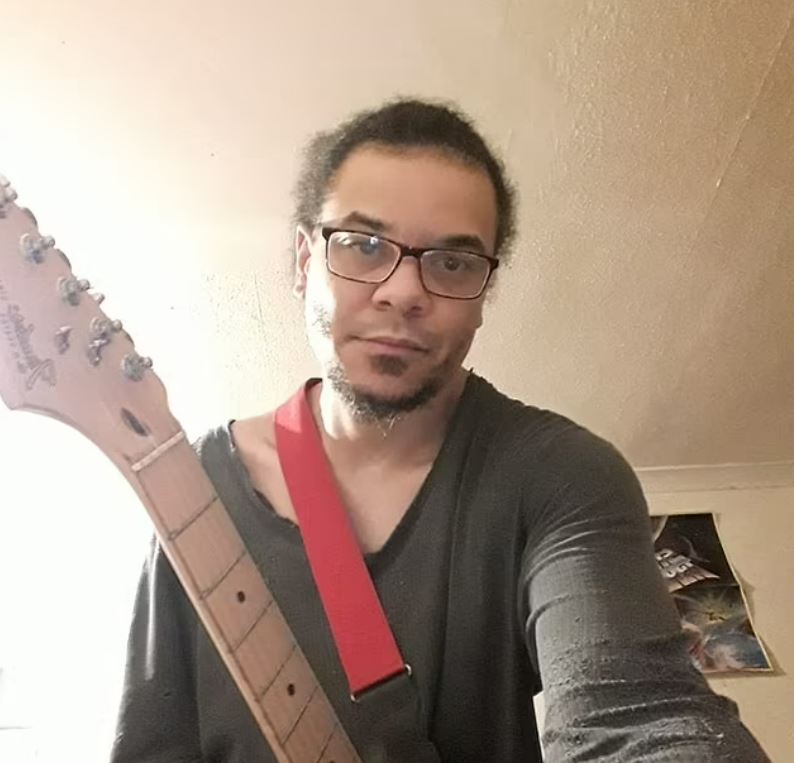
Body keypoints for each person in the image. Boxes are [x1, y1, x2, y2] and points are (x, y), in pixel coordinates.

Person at [110, 98, 769, 762]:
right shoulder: (192, 487)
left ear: (483, 293)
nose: (403, 291)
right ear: (303, 261)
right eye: (365, 246)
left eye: (452, 262)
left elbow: (640, 717)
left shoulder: (561, 473)